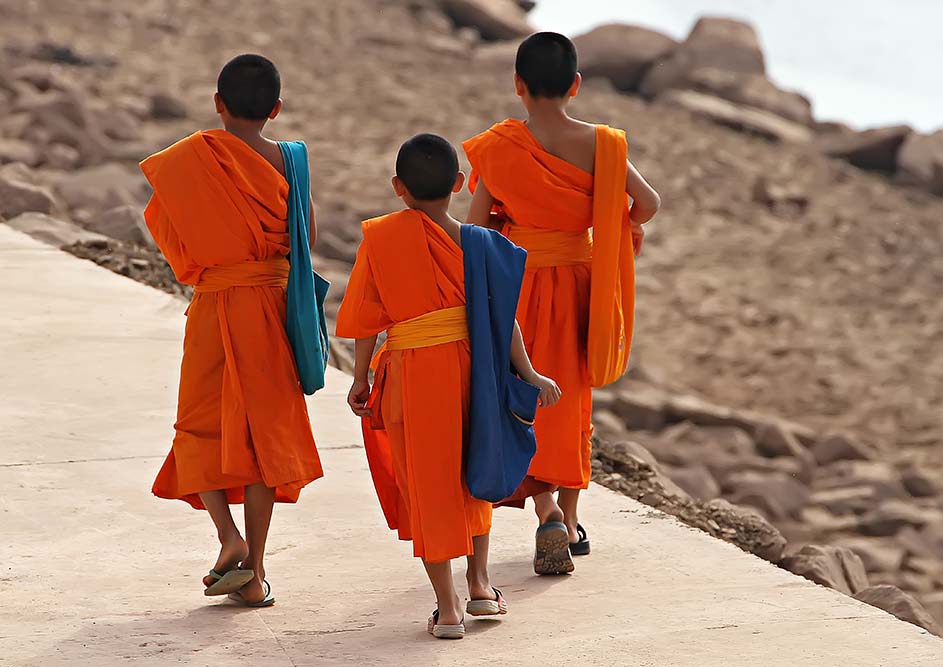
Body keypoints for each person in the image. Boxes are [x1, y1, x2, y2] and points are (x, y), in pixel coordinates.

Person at [336, 134, 560, 639]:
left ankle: (449, 608)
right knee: (472, 470)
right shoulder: (481, 243)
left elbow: (367, 319)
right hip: (472, 371)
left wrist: (359, 377)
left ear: (398, 188)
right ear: (460, 184)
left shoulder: (382, 239)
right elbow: (502, 322)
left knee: (429, 485)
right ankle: (481, 587)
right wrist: (528, 373)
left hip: (413, 375)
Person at [463, 32, 661, 574]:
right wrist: (614, 226)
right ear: (576, 85)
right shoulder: (602, 144)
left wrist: (512, 225)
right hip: (578, 284)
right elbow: (647, 202)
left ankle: (545, 507)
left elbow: (475, 228)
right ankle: (568, 524)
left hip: (518, 286)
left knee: (522, 395)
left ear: (518, 85)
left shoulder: (500, 147)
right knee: (572, 405)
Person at [141, 54, 324, 607]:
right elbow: (305, 236)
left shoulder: (189, 159)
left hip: (215, 303)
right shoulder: (290, 161)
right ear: (276, 109)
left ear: (218, 104)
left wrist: (210, 264)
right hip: (269, 308)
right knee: (264, 433)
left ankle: (228, 536)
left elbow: (164, 226)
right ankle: (257, 571)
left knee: (199, 423)